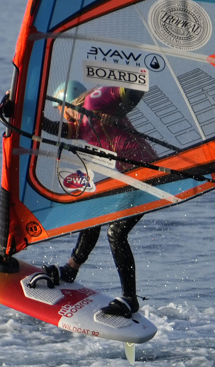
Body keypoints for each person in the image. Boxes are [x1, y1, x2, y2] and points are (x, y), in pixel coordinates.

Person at [41, 83, 155, 319]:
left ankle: (129, 299)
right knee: (93, 213)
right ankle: (70, 270)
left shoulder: (93, 102)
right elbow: (55, 128)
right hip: (128, 177)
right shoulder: (80, 127)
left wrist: (121, 109)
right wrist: (18, 110)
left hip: (148, 173)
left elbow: (135, 88)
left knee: (116, 233)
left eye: (59, 109)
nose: (61, 116)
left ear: (66, 104)